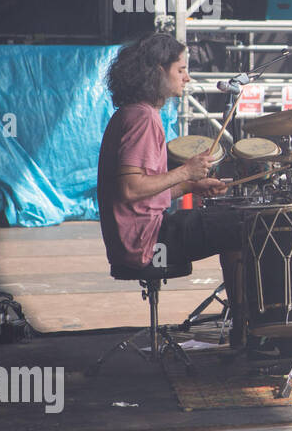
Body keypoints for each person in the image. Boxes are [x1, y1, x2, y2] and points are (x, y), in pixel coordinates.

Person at [97, 33, 242, 339]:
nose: (187, 78)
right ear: (158, 70)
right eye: (181, 70)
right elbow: (131, 189)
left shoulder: (131, 113)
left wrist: (191, 186)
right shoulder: (143, 119)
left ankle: (244, 327)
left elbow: (143, 196)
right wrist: (186, 170)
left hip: (137, 237)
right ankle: (251, 329)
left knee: (232, 225)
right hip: (147, 244)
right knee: (245, 226)